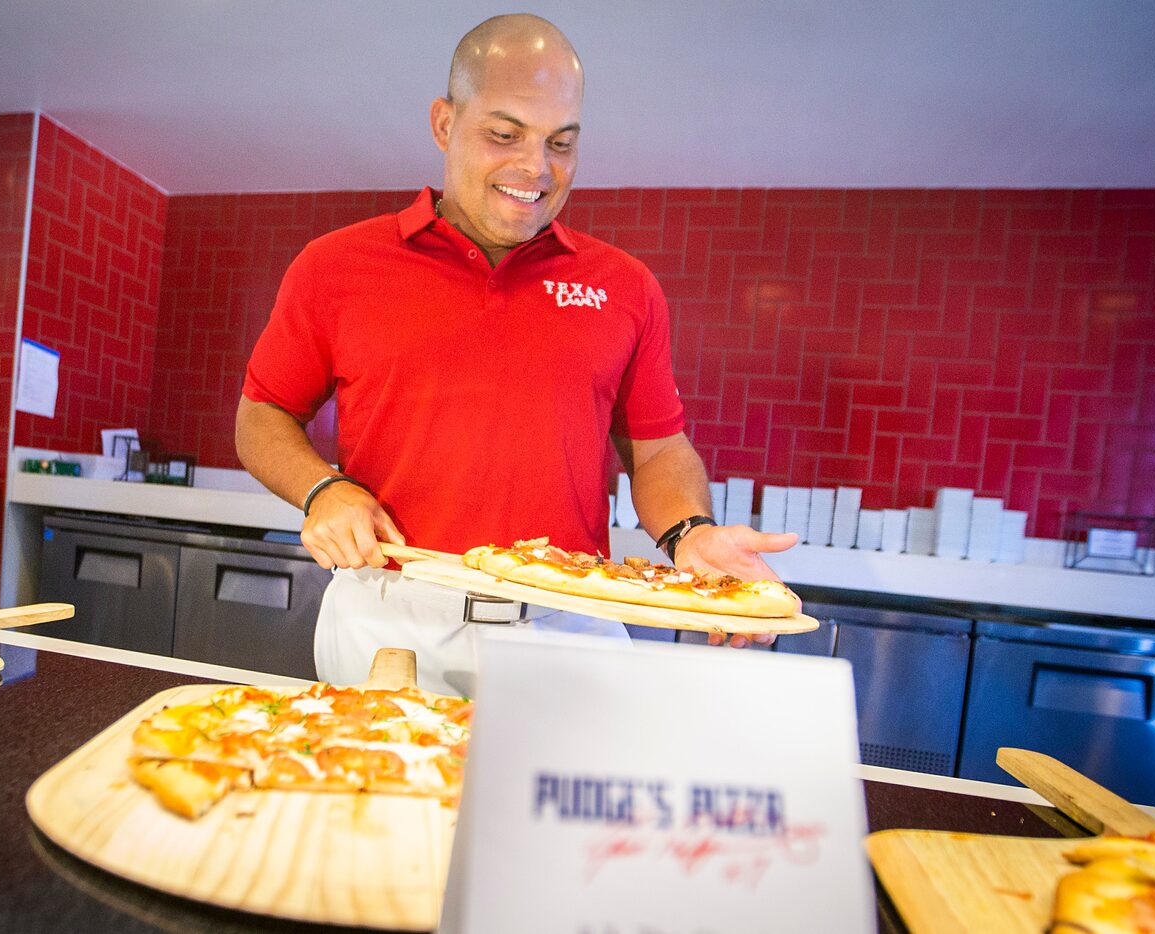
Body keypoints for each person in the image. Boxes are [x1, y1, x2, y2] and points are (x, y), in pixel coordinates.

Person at [236, 14, 797, 694]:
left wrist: (689, 532)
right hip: (391, 615)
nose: (536, 168)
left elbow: (656, 451)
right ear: (444, 123)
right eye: (503, 135)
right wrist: (323, 488)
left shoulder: (625, 287)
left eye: (560, 143)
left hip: (570, 621)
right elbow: (262, 415)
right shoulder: (335, 265)